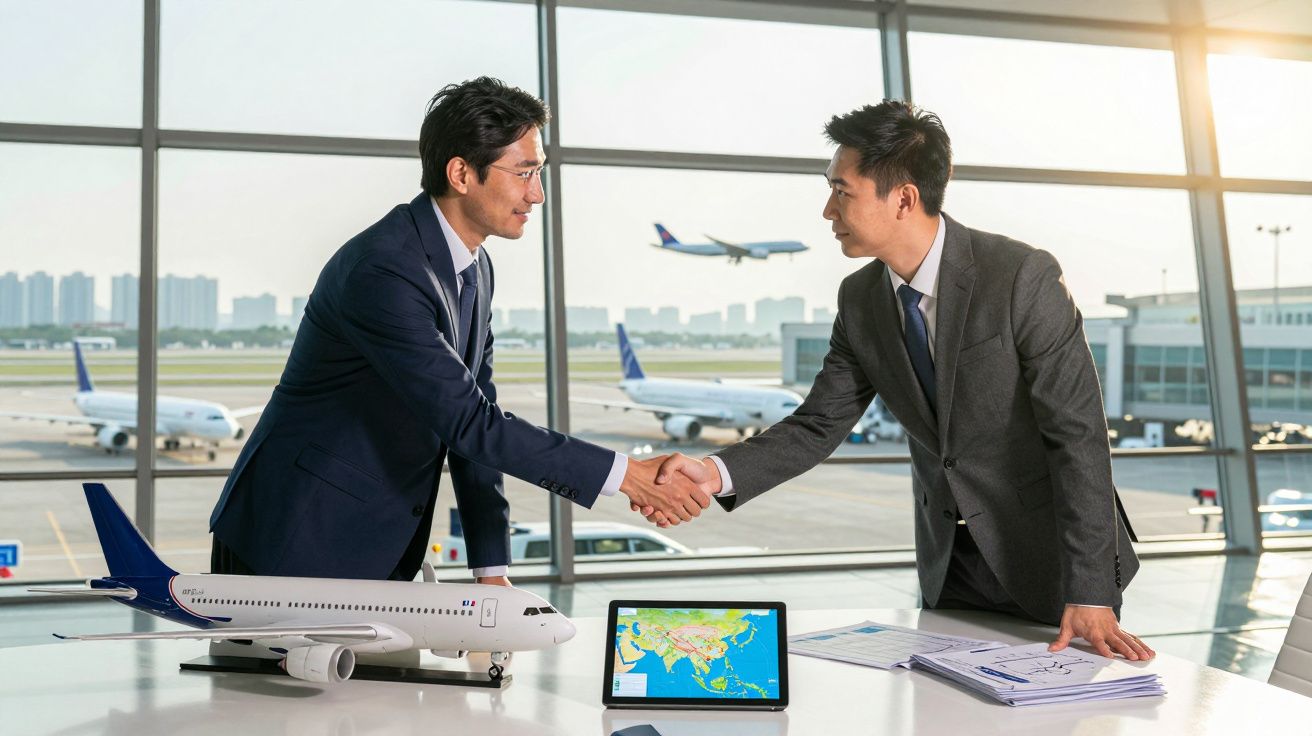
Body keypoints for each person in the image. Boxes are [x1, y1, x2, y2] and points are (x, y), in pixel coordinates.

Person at [651, 100, 1154, 661]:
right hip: (949, 565)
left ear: (904, 199)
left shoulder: (1021, 276)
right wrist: (712, 472)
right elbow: (818, 424)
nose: (827, 210)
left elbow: (1078, 436)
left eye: (841, 191)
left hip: (1056, 565)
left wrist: (1090, 589)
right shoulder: (860, 297)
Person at [209, 77, 708, 585]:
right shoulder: (384, 269)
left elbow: (478, 412)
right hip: (295, 536)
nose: (537, 194)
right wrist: (630, 476)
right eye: (524, 172)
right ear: (461, 174)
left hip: (371, 539)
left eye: (539, 172)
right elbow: (471, 423)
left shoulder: (474, 267)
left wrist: (490, 566)